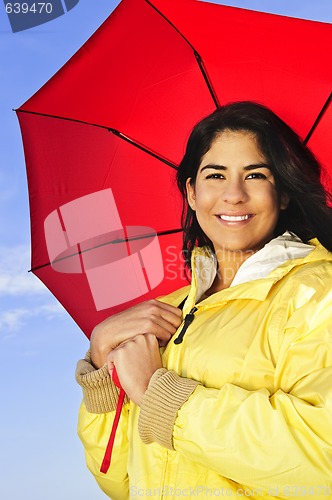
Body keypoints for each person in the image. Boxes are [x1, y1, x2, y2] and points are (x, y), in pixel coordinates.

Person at [76, 101, 332, 499]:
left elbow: (322, 462)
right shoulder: (169, 312)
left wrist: (159, 394)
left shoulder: (319, 293)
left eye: (256, 175)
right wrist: (101, 370)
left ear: (282, 193)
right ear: (192, 193)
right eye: (215, 175)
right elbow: (120, 483)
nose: (234, 195)